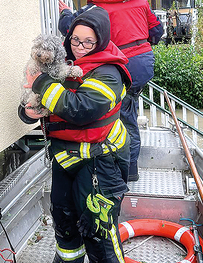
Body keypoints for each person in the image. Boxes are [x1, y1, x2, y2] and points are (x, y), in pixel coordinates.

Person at [18, 7, 132, 263]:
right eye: (75, 39)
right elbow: (34, 101)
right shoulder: (60, 60)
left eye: (88, 41)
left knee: (98, 231)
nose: (80, 47)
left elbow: (81, 109)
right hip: (64, 159)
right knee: (64, 224)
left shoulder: (108, 72)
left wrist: (41, 82)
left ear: (100, 40)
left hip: (100, 163)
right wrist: (28, 113)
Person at [59, 0, 164, 181]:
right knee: (128, 113)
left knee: (120, 118)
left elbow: (71, 30)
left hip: (118, 63)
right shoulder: (141, 3)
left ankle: (123, 170)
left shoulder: (96, 8)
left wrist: (66, 13)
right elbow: (157, 31)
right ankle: (128, 168)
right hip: (142, 63)